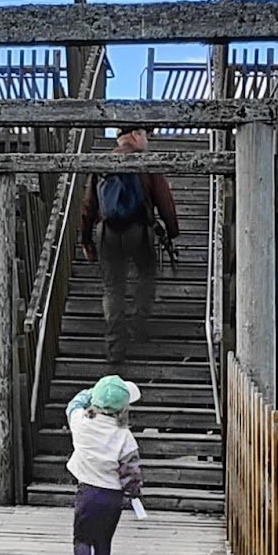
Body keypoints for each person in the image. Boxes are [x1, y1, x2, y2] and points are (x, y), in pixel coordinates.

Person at [79, 128, 180, 372]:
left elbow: (88, 205)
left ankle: (115, 347)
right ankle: (139, 324)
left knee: (112, 287)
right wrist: (172, 231)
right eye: (146, 135)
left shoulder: (102, 163)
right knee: (146, 274)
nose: (148, 140)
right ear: (135, 134)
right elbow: (165, 200)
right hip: (139, 230)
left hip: (108, 232)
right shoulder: (147, 163)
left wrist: (86, 241)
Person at [65, 373, 143, 555]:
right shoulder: (124, 436)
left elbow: (73, 405)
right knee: (103, 541)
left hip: (87, 491)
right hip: (112, 497)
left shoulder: (81, 422)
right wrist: (134, 492)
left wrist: (90, 392)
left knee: (82, 538)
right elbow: (131, 470)